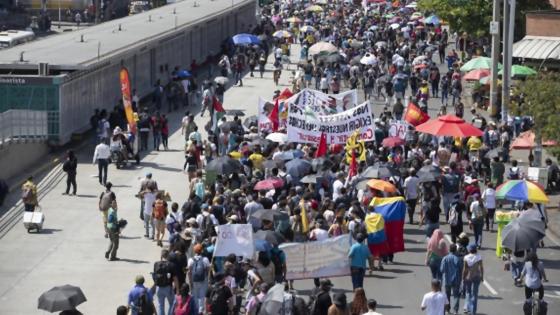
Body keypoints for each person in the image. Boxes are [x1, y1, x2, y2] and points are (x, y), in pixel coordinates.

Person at [188, 243, 211, 314]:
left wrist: (190, 282)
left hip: (194, 280)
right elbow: (208, 270)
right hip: (203, 280)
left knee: (195, 295)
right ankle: (201, 311)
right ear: (202, 251)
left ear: (194, 251)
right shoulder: (205, 259)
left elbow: (189, 272)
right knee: (202, 296)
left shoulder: (190, 260)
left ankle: (196, 310)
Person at [440, 244, 462, 315]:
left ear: (449, 249)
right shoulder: (458, 259)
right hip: (456, 279)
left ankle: (447, 310)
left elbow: (442, 269)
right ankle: (455, 311)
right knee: (456, 295)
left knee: (447, 295)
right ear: (455, 250)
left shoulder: (445, 258)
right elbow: (461, 269)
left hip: (447, 280)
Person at [153, 249, 177, 315]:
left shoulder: (156, 264)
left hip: (158, 288)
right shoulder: (171, 265)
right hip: (168, 287)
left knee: (161, 305)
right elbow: (175, 278)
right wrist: (177, 289)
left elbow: (154, 275)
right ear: (168, 256)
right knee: (172, 303)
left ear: (161, 256)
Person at [462, 244, 484, 315]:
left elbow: (465, 269)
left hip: (468, 277)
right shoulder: (478, 257)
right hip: (476, 276)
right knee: (475, 294)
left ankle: (466, 308)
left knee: (468, 292)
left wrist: (463, 277)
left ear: (469, 250)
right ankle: (473, 311)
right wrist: (482, 276)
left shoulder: (466, 257)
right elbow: (481, 267)